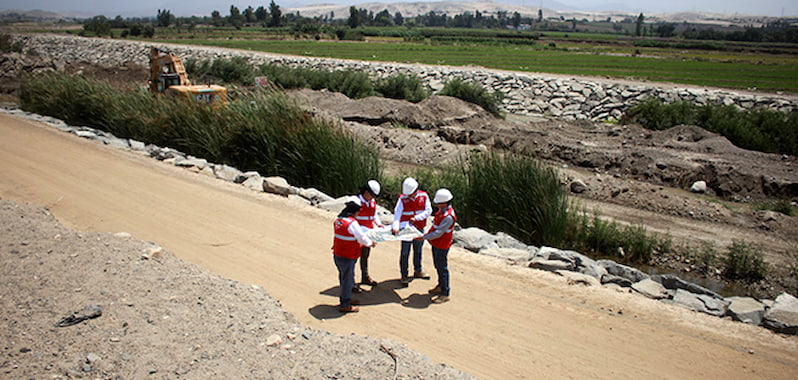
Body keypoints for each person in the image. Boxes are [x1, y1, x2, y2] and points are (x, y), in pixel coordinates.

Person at [332, 197, 376, 313]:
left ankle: (346, 298)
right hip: (348, 256)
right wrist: (370, 243)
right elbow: (361, 237)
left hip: (338, 254)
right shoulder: (352, 224)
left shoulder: (339, 221)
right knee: (347, 280)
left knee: (344, 278)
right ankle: (345, 304)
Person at [391, 177, 432, 285]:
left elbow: (428, 211)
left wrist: (417, 218)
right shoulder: (402, 199)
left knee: (418, 250)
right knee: (405, 252)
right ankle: (404, 275)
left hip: (419, 228)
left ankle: (418, 270)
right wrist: (395, 226)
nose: (409, 196)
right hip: (406, 230)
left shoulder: (424, 196)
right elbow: (397, 214)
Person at [423, 188, 456, 304]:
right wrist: (427, 235)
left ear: (446, 202)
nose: (437, 205)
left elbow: (438, 233)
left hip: (442, 245)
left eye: (439, 203)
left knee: (442, 268)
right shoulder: (441, 212)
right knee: (438, 265)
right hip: (436, 243)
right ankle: (440, 286)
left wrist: (423, 237)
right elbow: (435, 227)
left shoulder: (448, 217)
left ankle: (445, 293)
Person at [354, 180, 382, 288]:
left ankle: (365, 276)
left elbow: (374, 214)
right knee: (354, 257)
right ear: (365, 191)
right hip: (358, 233)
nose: (372, 197)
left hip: (369, 233)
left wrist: (379, 224)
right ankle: (351, 281)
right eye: (371, 195)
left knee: (365, 255)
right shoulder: (356, 202)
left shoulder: (372, 202)